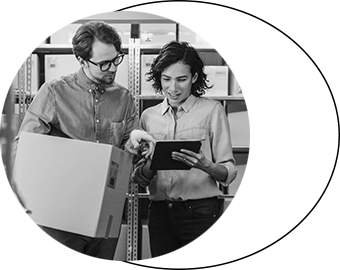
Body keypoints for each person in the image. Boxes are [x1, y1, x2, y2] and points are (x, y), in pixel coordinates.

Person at [11, 21, 155, 261]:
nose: (112, 68)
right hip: (61, 215)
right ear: (81, 59)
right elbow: (25, 145)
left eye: (116, 59)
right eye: (103, 64)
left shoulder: (124, 98)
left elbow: (126, 147)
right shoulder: (55, 93)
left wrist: (135, 138)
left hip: (105, 212)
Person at [131, 41, 238, 261]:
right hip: (160, 213)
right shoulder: (148, 117)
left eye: (182, 79)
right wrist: (152, 161)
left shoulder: (212, 110)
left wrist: (204, 165)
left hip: (200, 212)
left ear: (195, 78)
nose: (173, 88)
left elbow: (228, 171)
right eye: (166, 79)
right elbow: (140, 179)